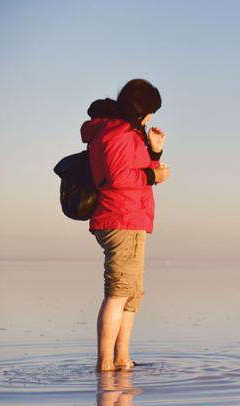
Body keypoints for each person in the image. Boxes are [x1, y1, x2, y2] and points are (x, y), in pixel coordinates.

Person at [81, 79, 171, 372]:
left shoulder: (128, 133)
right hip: (120, 219)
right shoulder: (117, 134)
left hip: (132, 218)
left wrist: (155, 153)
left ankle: (122, 358)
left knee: (131, 294)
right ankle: (105, 364)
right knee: (118, 292)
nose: (150, 119)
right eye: (149, 112)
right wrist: (152, 176)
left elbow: (138, 173)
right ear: (138, 109)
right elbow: (118, 179)